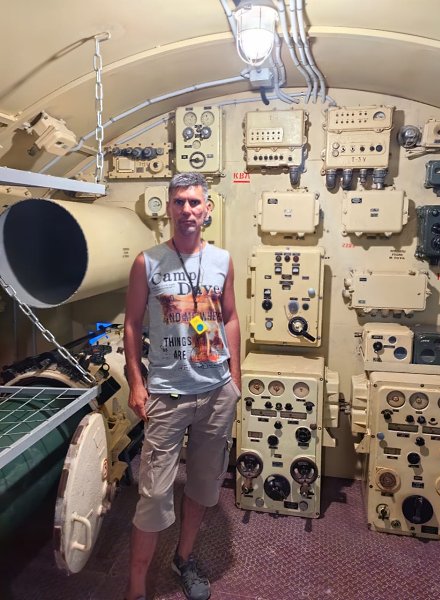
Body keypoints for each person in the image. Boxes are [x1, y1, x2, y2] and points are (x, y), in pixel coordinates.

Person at [124, 172, 241, 600]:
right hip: (167, 394)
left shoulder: (223, 260)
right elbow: (132, 324)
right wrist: (136, 382)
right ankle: (136, 585)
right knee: (154, 494)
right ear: (170, 209)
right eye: (179, 202)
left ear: (207, 209)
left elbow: (230, 317)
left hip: (215, 391)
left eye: (194, 202)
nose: (187, 210)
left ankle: (183, 558)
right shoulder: (148, 262)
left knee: (203, 486)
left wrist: (235, 379)